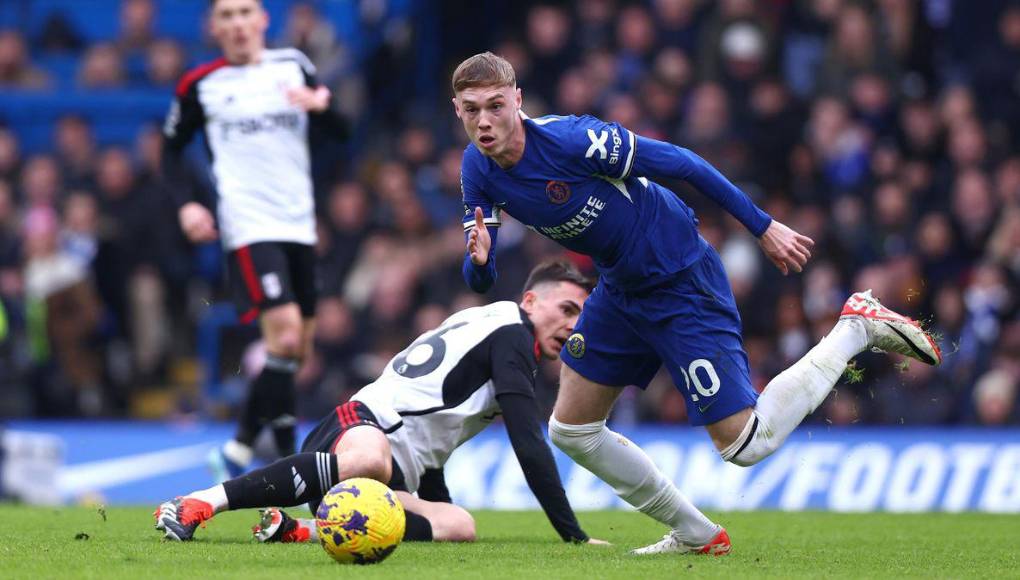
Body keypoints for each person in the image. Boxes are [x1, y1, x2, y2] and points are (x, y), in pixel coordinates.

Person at [452, 52, 942, 555]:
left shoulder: (574, 140)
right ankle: (695, 534)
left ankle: (855, 328)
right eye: (472, 110)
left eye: (495, 105)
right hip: (622, 286)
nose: (485, 121)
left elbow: (682, 163)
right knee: (572, 430)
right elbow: (480, 278)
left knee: (745, 445)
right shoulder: (478, 169)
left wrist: (762, 227)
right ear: (457, 110)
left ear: (518, 100)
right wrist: (482, 260)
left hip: (679, 275)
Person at [155, 261, 606, 546]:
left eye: (581, 317)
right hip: (357, 431)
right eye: (567, 309)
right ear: (530, 300)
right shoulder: (514, 334)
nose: (573, 325)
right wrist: (574, 536)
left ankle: (303, 531)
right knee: (370, 459)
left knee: (459, 525)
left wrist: (435, 499)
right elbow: (528, 441)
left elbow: (431, 428)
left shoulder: (492, 325)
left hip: (388, 473)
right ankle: (199, 501)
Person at [161, 0, 348, 478]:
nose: (238, 23)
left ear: (263, 20)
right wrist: (187, 204)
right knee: (283, 338)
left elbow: (340, 131)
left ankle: (240, 450)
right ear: (214, 27)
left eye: (246, 12)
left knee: (296, 352)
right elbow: (170, 152)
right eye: (227, 15)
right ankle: (290, 466)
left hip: (299, 225)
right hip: (248, 226)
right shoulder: (200, 85)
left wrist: (324, 107)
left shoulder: (293, 66)